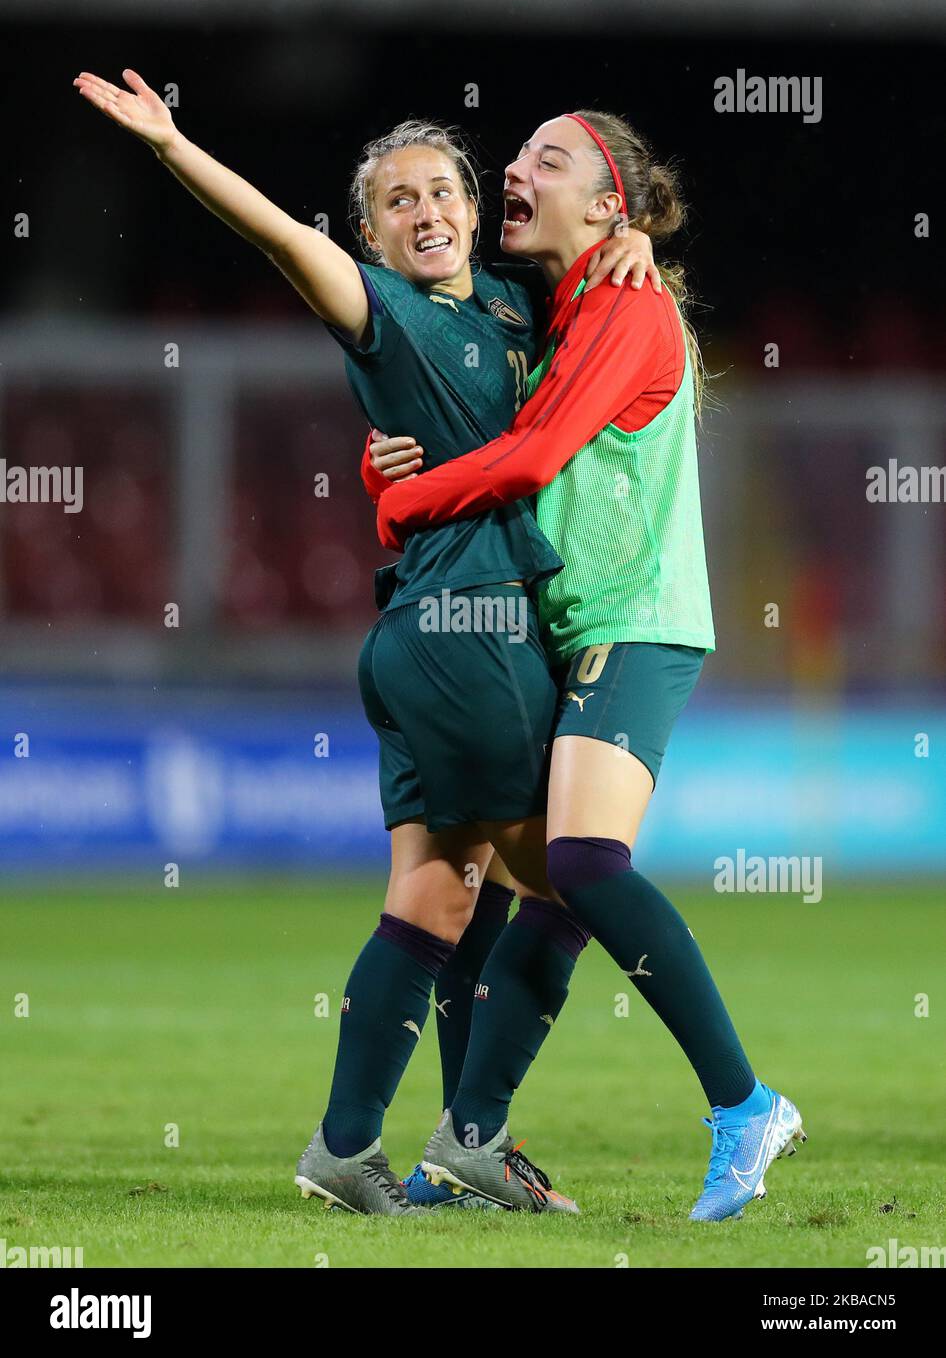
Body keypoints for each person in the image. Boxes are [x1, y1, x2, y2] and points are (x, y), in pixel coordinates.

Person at [72, 71, 657, 1214]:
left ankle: (346, 1150)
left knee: (436, 898)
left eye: (443, 189)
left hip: (426, 632)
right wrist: (173, 148)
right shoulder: (378, 308)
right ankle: (478, 1135)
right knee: (574, 885)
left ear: (476, 210)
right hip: (466, 631)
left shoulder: (506, 307)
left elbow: (597, 296)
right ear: (368, 232)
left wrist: (635, 248)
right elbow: (282, 236)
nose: (426, 210)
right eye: (397, 200)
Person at [371, 111, 806, 1223]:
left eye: (545, 161)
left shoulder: (623, 305)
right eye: (513, 159)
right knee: (527, 897)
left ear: (610, 206)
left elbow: (527, 459)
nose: (511, 171)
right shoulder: (563, 310)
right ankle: (468, 1145)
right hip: (565, 628)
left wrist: (395, 503)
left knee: (582, 863)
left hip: (637, 621)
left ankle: (743, 1102)